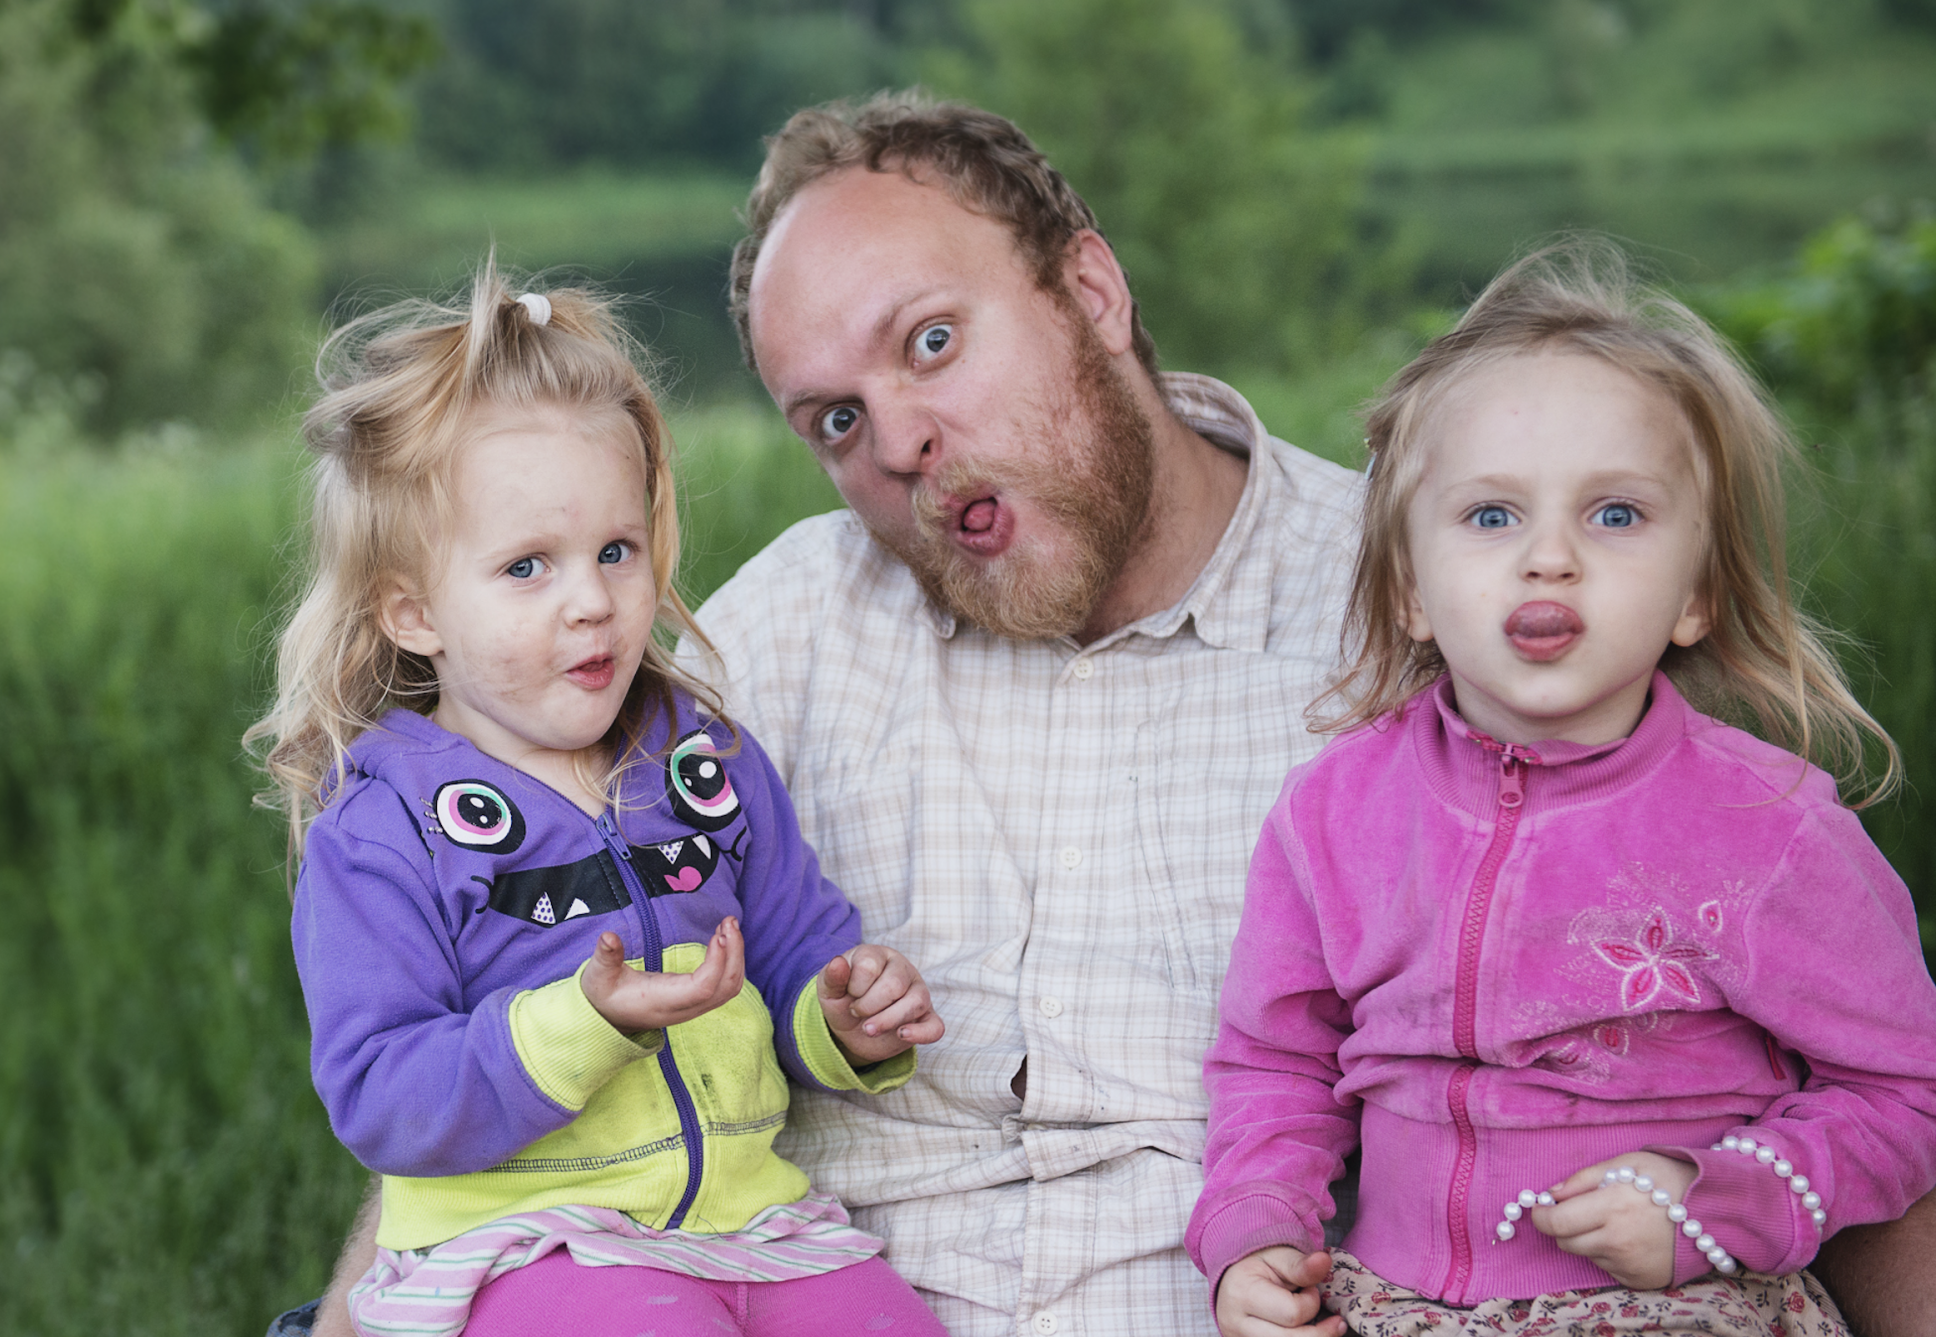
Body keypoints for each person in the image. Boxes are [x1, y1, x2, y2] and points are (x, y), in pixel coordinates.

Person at [273, 92, 1936, 1337]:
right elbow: (496, 997)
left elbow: (1766, 1010)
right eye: (836, 415)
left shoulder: (1431, 606)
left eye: (935, 343)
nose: (900, 442)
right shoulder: (754, 636)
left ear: (1093, 288)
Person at [1191, 243, 1936, 1337]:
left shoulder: (1765, 827)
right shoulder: (1332, 815)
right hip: (1393, 1304)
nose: (1549, 557)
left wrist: (1716, 1203)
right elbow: (1273, 1061)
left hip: (1688, 1304)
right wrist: (1251, 1233)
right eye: (1491, 516)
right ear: (1408, 588)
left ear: (1695, 594)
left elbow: (1905, 1087)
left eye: (1616, 515)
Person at [247, 269, 951, 1337]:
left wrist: (841, 1013)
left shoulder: (702, 762)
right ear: (414, 611)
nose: (592, 599)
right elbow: (382, 1088)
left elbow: (799, 944)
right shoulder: (386, 826)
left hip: (748, 1220)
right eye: (528, 566)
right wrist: (582, 1022)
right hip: (531, 1241)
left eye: (615, 550)